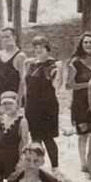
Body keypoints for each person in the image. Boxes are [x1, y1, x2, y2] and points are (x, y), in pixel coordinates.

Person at [24, 35, 63, 174]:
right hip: (32, 106)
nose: (38, 50)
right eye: (35, 47)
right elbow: (26, 85)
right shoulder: (31, 64)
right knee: (35, 138)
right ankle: (38, 167)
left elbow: (57, 85)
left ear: (47, 48)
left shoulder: (53, 64)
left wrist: (58, 71)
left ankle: (55, 167)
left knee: (48, 137)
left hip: (47, 106)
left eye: (41, 47)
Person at [66, 33, 91, 173]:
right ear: (81, 45)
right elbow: (68, 85)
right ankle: (83, 163)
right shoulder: (75, 62)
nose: (88, 45)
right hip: (80, 103)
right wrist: (88, 85)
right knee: (83, 134)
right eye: (86, 43)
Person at [0, 92, 28, 182]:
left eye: (10, 103)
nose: (7, 106)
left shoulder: (22, 121)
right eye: (4, 104)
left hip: (13, 159)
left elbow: (25, 142)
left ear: (16, 104)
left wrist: (22, 161)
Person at [0, 28, 26, 106]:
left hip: (13, 100)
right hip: (0, 99)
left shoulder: (20, 56)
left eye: (7, 37)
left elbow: (23, 81)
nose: (4, 39)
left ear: (14, 37)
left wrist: (19, 99)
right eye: (2, 37)